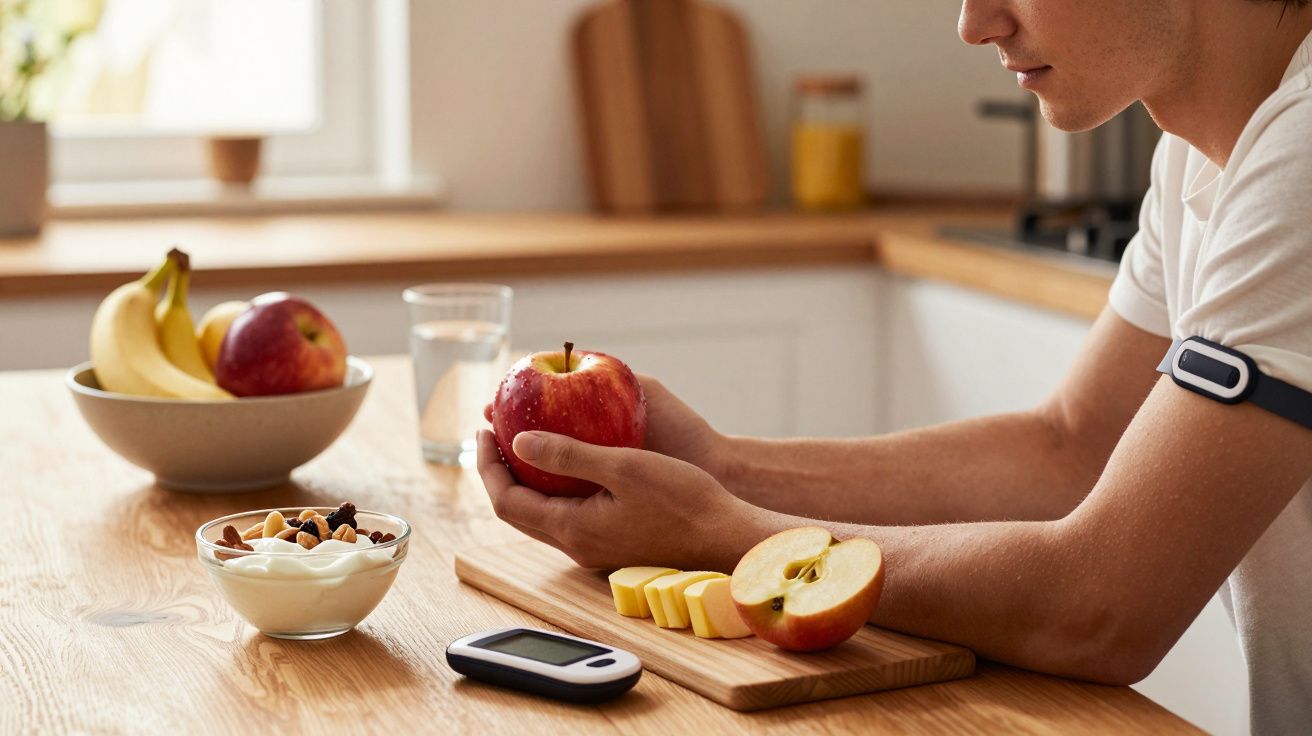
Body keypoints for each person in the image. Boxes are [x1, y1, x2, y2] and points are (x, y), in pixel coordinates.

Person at [477, 1, 1312, 731]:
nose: (974, 22)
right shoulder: (1201, 157)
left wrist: (725, 538)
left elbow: (1102, 608)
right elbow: (1071, 446)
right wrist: (720, 468)